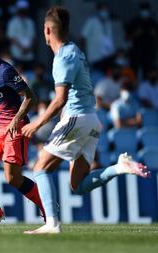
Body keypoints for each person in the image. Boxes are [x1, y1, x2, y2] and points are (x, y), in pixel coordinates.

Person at [21, 6, 150, 234]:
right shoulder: (75, 50)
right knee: (78, 186)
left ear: (47, 30)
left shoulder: (63, 57)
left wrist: (37, 123)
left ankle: (52, 224)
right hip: (91, 120)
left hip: (77, 118)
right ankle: (119, 168)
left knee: (40, 168)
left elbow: (60, 99)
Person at [0, 35, 45, 230]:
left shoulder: (6, 72)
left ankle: (46, 206)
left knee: (12, 178)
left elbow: (30, 98)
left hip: (15, 126)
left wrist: (16, 119)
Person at [80, 2, 115, 72]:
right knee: (97, 76)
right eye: (103, 9)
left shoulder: (108, 22)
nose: (105, 11)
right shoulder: (91, 21)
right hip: (95, 56)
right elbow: (83, 37)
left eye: (106, 9)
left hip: (108, 56)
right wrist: (84, 53)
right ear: (98, 10)